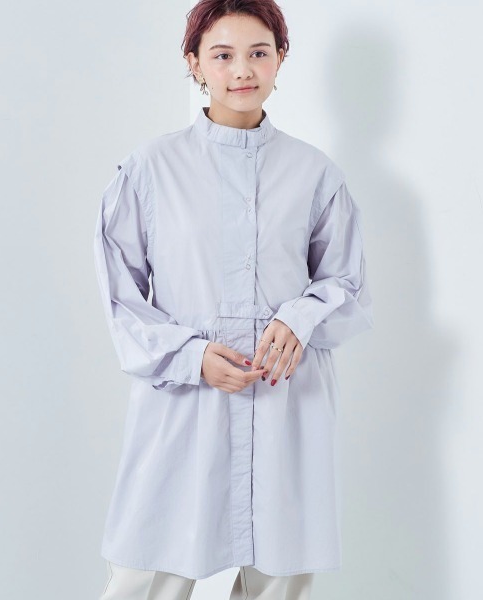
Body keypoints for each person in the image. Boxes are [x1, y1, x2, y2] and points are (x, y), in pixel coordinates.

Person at [93, 0, 374, 598]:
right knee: (147, 573)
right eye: (222, 55)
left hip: (285, 398)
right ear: (194, 62)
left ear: (280, 59)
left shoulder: (315, 174)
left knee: (279, 578)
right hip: (182, 400)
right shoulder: (150, 170)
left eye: (258, 53)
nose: (242, 70)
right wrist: (191, 357)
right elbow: (121, 296)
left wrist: (300, 318)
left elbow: (348, 284)